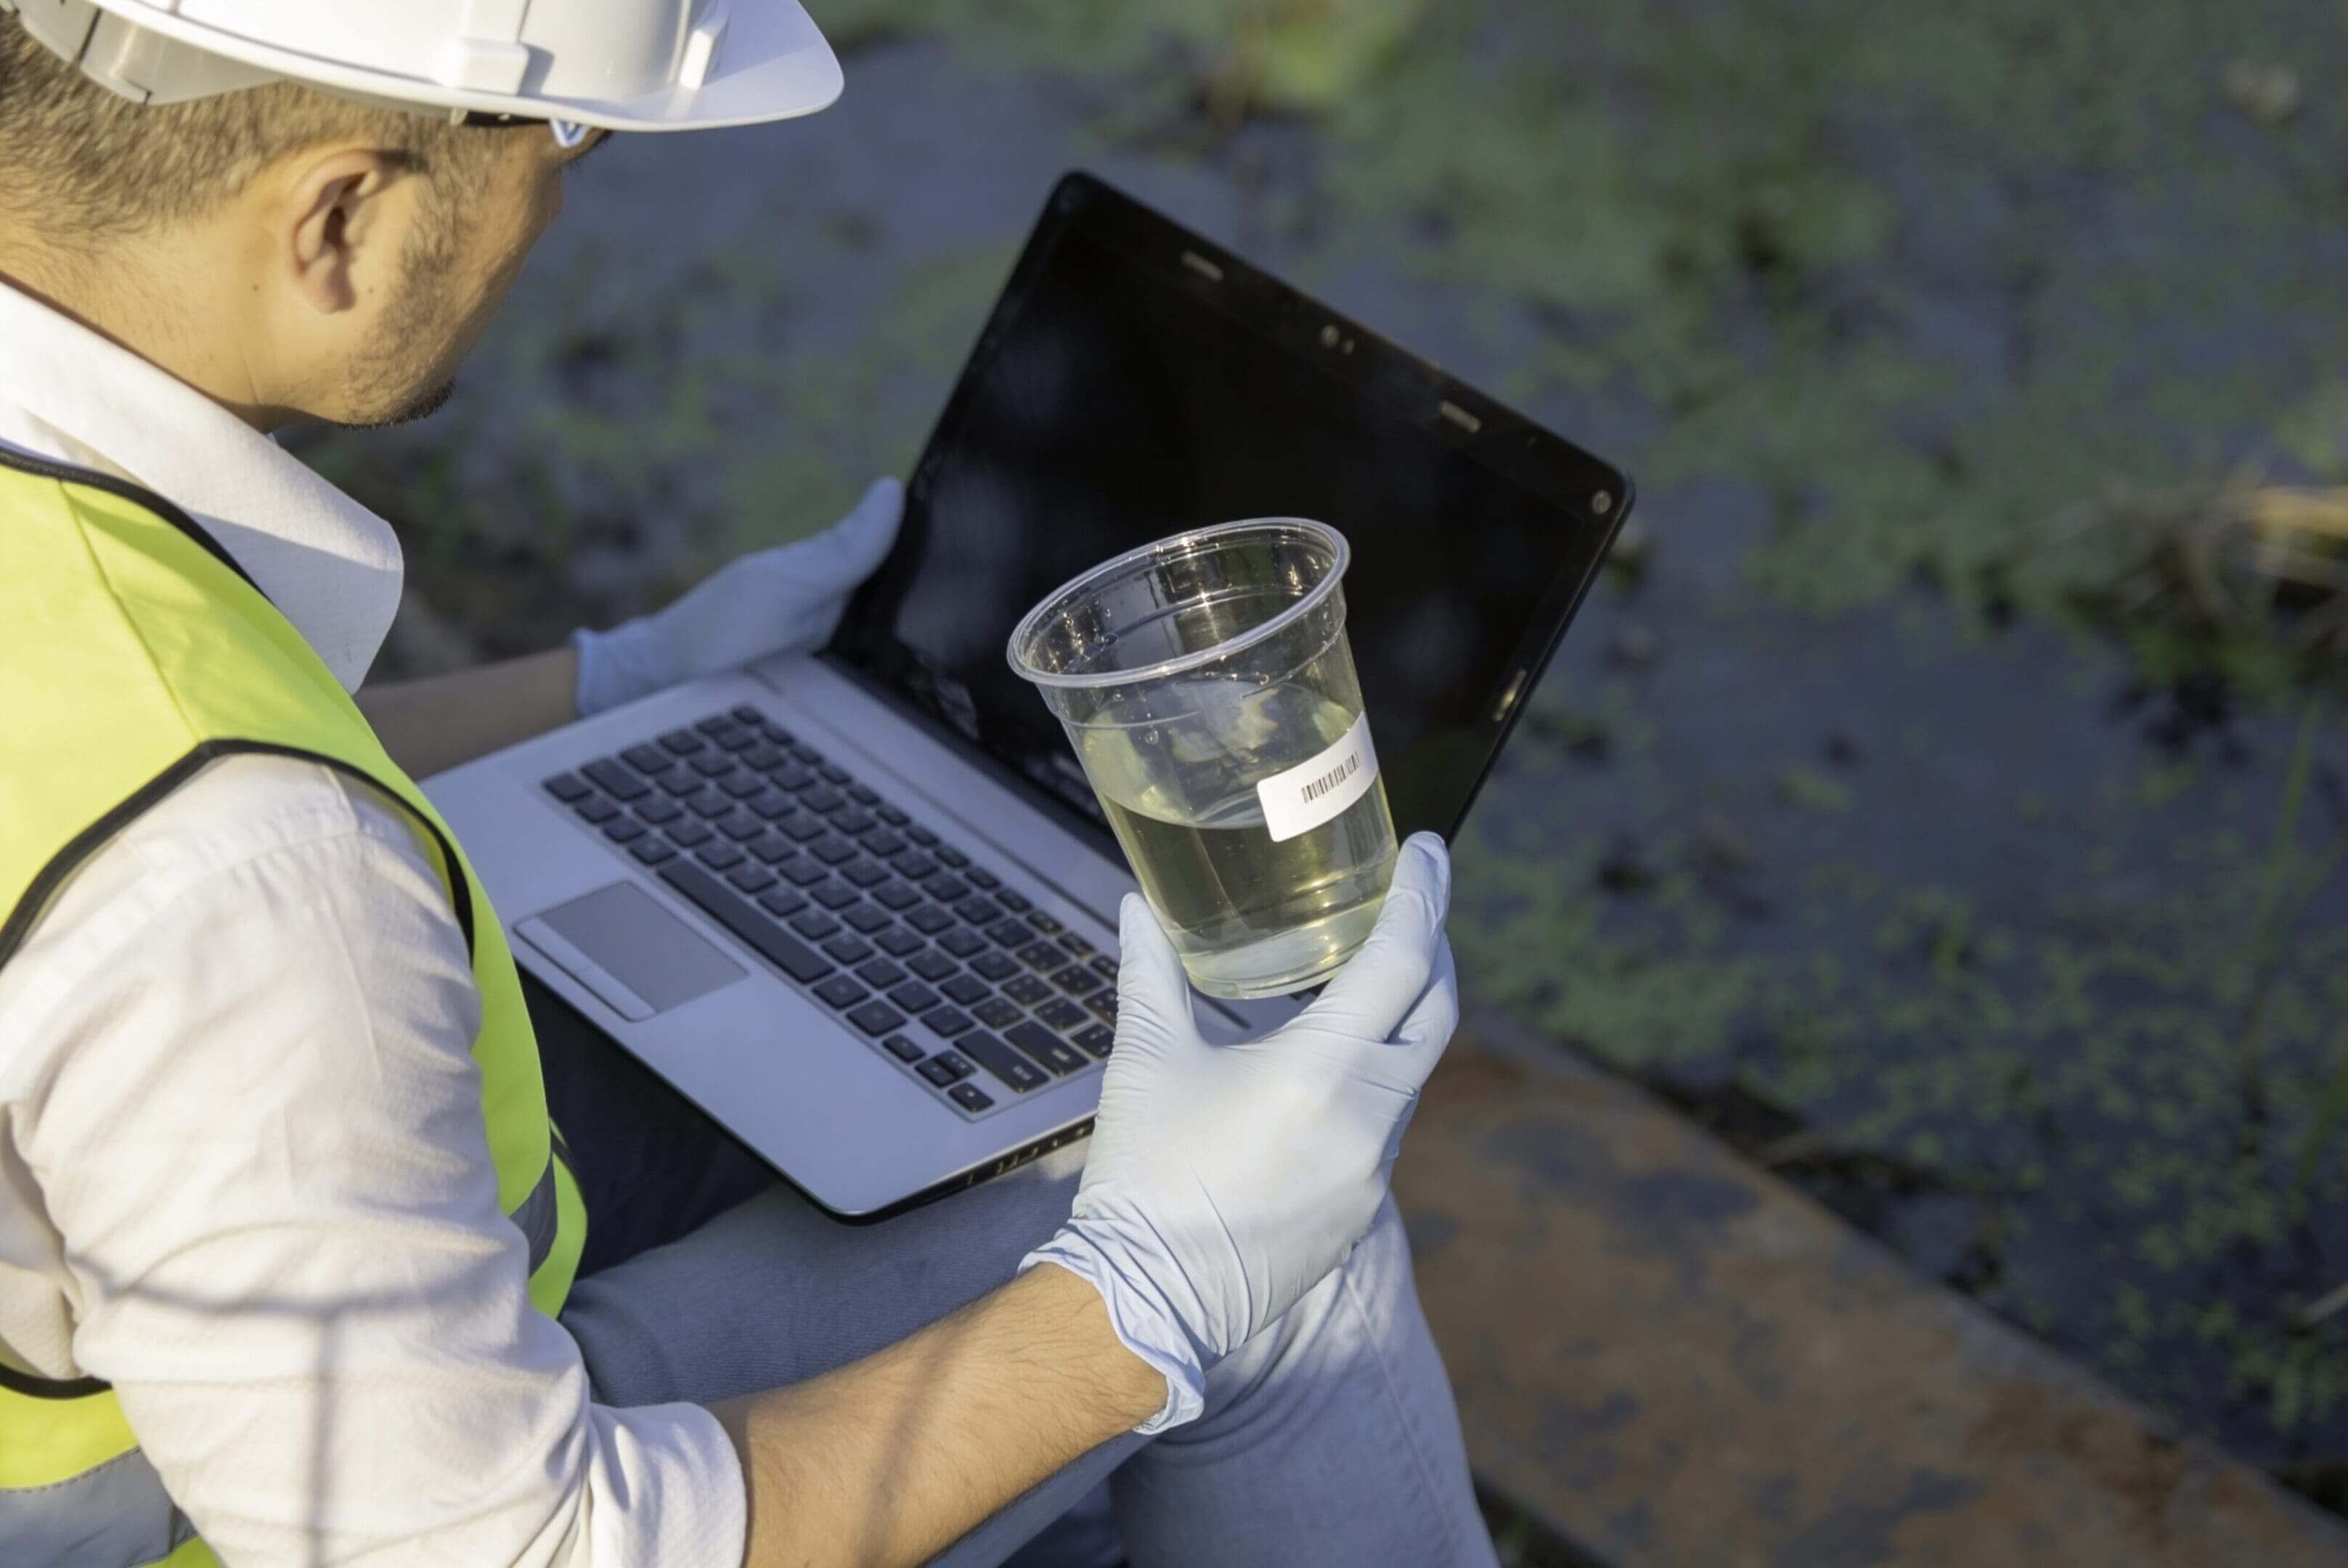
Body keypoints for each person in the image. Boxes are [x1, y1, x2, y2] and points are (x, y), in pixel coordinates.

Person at [0, 6, 1493, 1566]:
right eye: (567, 140)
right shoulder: (252, 880)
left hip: (206, 1405)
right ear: (339, 219)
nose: (561, 203)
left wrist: (619, 682)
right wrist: (1146, 1301)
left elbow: (125, 787)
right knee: (1288, 1257)